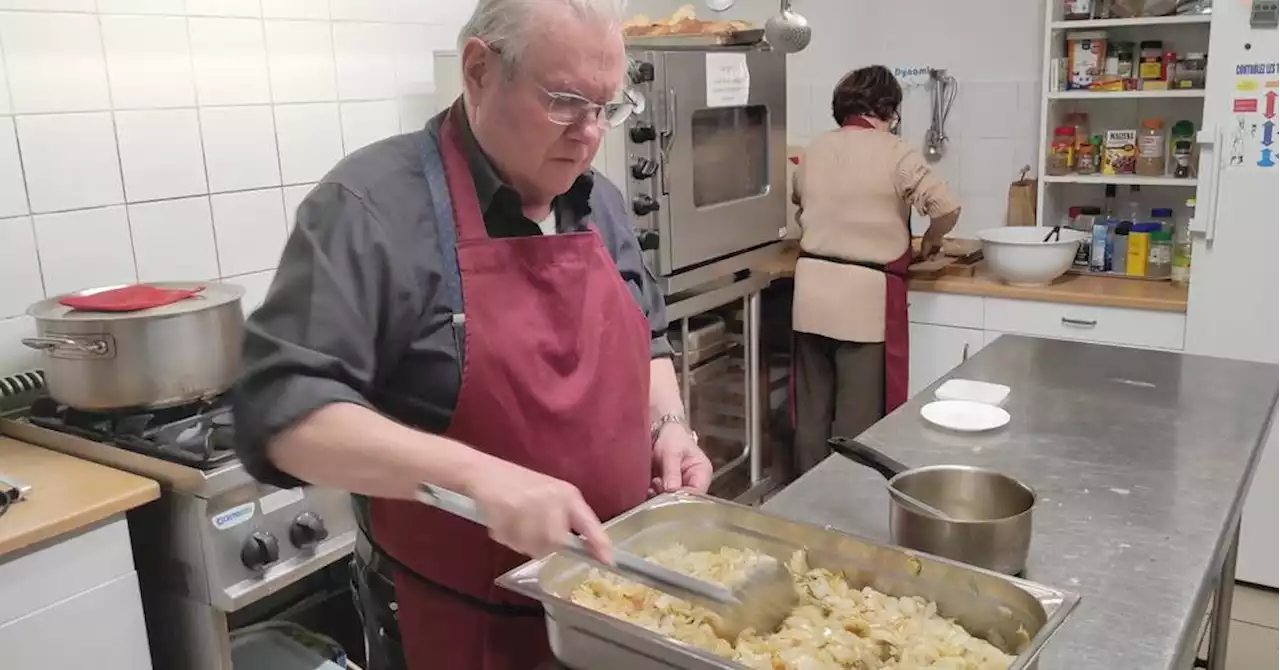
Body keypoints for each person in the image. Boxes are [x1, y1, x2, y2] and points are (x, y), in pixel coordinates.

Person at [230, 1, 713, 668]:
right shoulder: (372, 207)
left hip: (612, 610)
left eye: (609, 106)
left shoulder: (597, 199)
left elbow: (649, 334)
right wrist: (482, 480)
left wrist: (670, 427)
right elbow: (282, 414)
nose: (591, 133)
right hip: (458, 625)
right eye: (567, 101)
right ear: (480, 70)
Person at [788, 65, 962, 477]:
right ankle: (849, 509)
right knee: (857, 424)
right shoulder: (895, 151)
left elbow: (800, 203)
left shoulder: (814, 150)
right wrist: (932, 240)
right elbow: (947, 207)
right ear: (888, 109)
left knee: (811, 417)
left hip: (810, 295)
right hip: (863, 304)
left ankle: (802, 509)